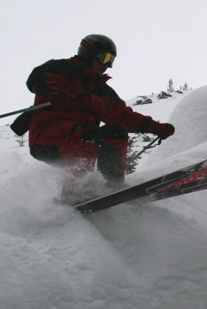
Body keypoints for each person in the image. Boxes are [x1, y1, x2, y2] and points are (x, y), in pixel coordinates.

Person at [21, 34, 174, 196]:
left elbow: (124, 116)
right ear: (88, 54)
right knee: (87, 132)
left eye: (112, 60)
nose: (108, 65)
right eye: (105, 57)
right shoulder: (63, 69)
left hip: (80, 137)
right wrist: (53, 93)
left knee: (115, 131)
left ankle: (112, 185)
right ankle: (75, 192)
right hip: (46, 137)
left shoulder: (103, 91)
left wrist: (157, 128)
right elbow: (36, 77)